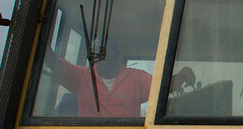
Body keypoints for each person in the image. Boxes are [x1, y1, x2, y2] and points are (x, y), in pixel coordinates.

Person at [46, 44, 195, 118]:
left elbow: (163, 88)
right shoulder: (81, 76)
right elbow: (53, 64)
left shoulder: (136, 78)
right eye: (99, 54)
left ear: (117, 57)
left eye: (108, 55)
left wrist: (183, 73)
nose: (104, 59)